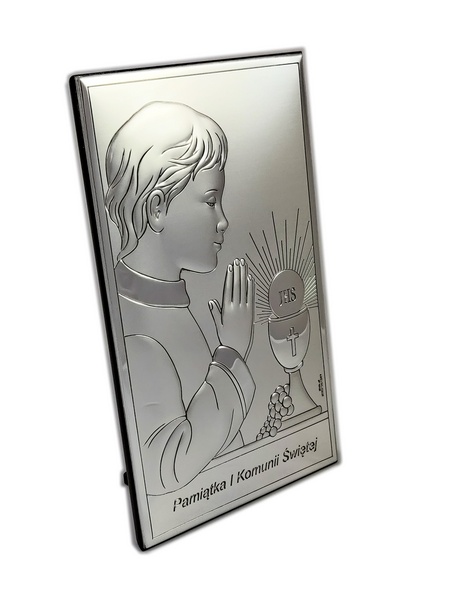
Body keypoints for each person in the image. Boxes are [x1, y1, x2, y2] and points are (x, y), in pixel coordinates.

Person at [105, 102, 255, 495]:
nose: (223, 220)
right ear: (158, 208)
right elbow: (166, 467)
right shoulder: (136, 334)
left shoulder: (166, 302)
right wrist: (231, 353)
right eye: (210, 201)